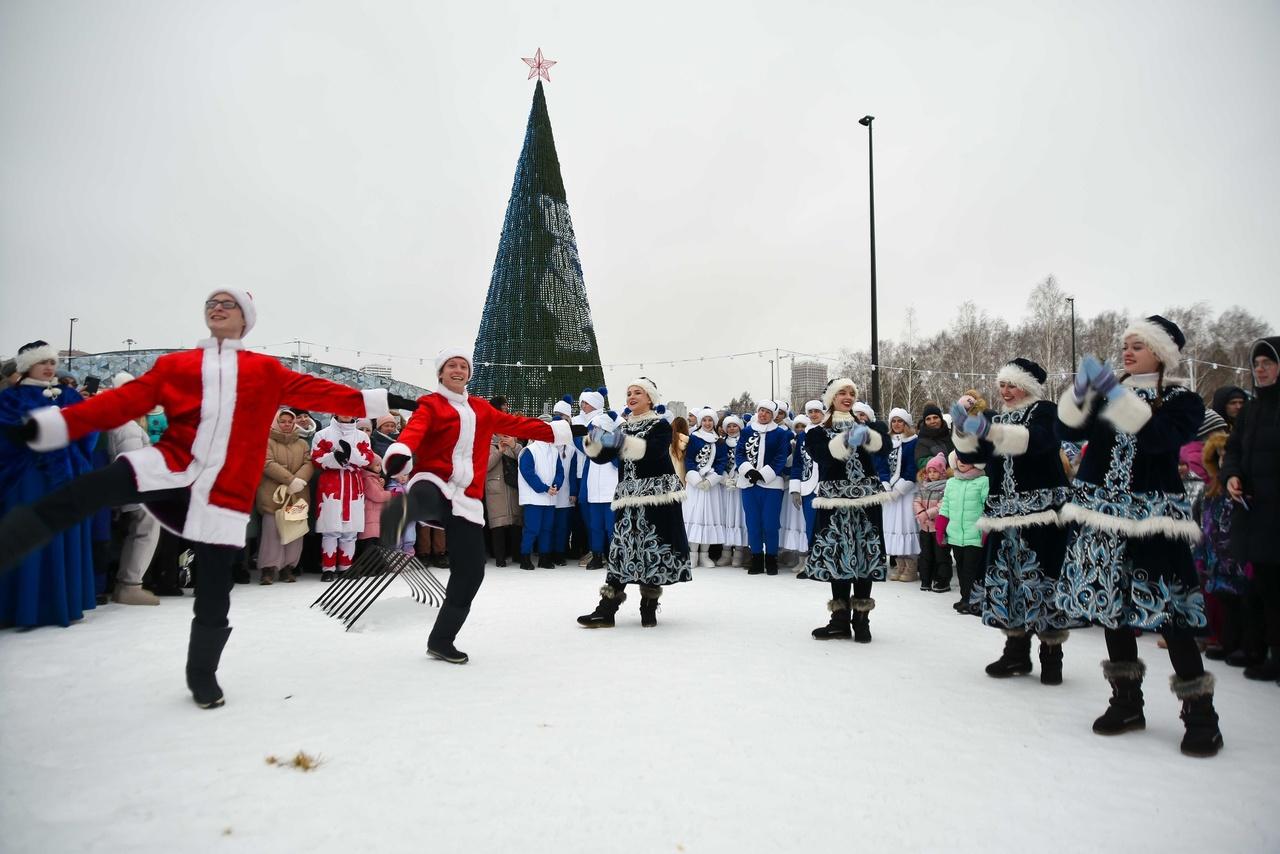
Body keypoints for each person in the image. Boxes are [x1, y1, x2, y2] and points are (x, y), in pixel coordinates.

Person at [0, 290, 403, 707]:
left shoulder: (265, 369)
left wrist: (385, 401)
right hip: (171, 462)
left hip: (226, 487)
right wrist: (53, 427)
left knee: (215, 586)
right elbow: (122, 402)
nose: (217, 308)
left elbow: (323, 393)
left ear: (245, 319)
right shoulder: (177, 365)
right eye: (212, 302)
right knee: (89, 489)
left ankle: (202, 673)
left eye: (228, 304)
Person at [1056, 315, 1222, 757]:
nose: (1127, 351)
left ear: (1162, 353)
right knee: (1112, 609)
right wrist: (1081, 394)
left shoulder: (1184, 400)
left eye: (1138, 345)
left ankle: (1200, 714)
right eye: (1125, 344)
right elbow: (1067, 430)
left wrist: (1113, 392)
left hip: (1153, 521)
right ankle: (1126, 701)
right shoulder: (1110, 394)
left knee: (1170, 611)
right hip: (1101, 517)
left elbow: (1157, 439)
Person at [380, 347, 580, 664]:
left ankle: (441, 640)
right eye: (451, 366)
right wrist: (402, 451)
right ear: (440, 374)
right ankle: (402, 510)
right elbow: (415, 431)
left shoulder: (482, 409)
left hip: (468, 500)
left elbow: (519, 425)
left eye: (463, 366)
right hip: (434, 479)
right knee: (428, 498)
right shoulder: (430, 404)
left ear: (469, 373)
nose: (458, 370)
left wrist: (562, 431)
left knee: (471, 572)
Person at [952, 358, 1074, 685]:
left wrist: (988, 429)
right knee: (1009, 582)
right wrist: (963, 428)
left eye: (1012, 384)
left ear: (1029, 387)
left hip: (1041, 515)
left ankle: (1052, 654)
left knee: (1042, 579)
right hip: (1004, 515)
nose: (1005, 391)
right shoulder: (996, 418)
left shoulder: (1045, 411)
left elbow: (1037, 442)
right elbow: (970, 457)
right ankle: (1016, 650)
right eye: (1002, 384)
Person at [577, 377, 690, 628]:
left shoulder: (660, 426)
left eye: (638, 392)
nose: (632, 396)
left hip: (655, 499)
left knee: (652, 551)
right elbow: (602, 457)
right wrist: (592, 440)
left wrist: (614, 441)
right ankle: (606, 609)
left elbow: (650, 452)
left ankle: (648, 607)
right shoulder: (623, 429)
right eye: (629, 392)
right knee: (621, 552)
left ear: (650, 398)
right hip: (628, 500)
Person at [0, 340, 98, 627]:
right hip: (29, 476)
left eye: (53, 362)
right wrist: (37, 434)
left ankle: (61, 603)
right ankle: (23, 606)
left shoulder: (67, 395)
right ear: (27, 365)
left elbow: (88, 429)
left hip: (64, 475)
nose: (49, 367)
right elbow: (7, 436)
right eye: (43, 362)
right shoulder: (11, 398)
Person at [803, 378, 892, 642]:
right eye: (841, 392)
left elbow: (884, 448)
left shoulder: (867, 427)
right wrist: (845, 438)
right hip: (835, 503)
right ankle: (840, 620)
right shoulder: (816, 432)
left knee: (865, 554)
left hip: (866, 503)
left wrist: (868, 434)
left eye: (851, 393)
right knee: (837, 556)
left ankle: (862, 619)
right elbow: (824, 457)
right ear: (831, 398)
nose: (847, 396)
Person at [1220, 336, 1280, 682]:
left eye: (1267, 363)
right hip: (1255, 512)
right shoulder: (1254, 410)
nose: (1260, 370)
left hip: (1274, 511)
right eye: (1256, 364)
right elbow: (1234, 450)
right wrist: (1232, 476)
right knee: (1263, 585)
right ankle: (1263, 647)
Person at [103, 371, 161, 605]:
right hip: (136, 491)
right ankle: (130, 583)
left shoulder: (122, 422)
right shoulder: (128, 426)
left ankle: (127, 581)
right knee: (146, 530)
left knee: (137, 533)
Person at [312, 415, 376, 581]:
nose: (346, 413)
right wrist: (335, 458)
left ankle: (346, 567)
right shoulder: (323, 434)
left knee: (350, 530)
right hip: (331, 485)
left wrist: (349, 453)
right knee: (330, 529)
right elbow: (317, 458)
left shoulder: (361, 436)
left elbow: (367, 458)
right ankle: (328, 568)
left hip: (353, 484)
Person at [255, 408, 314, 584]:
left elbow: (309, 463)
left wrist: (300, 480)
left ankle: (288, 567)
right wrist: (290, 480)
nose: (287, 425)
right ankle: (269, 568)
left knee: (295, 531)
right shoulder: (267, 441)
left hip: (297, 494)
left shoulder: (302, 443)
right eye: (283, 421)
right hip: (273, 495)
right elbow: (266, 463)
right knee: (271, 531)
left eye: (290, 421)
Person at [736, 400, 790, 575]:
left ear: (773, 415)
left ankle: (771, 559)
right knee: (752, 523)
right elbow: (740, 453)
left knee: (770, 523)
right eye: (761, 410)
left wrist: (764, 474)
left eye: (767, 412)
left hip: (772, 485)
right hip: (749, 483)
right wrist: (748, 470)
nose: (763, 414)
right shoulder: (746, 431)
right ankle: (757, 559)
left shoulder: (781, 434)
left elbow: (781, 456)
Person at [938, 451, 989, 615]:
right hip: (956, 535)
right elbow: (945, 506)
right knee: (960, 567)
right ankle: (965, 597)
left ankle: (974, 600)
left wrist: (986, 529)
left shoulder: (983, 481)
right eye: (959, 459)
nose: (962, 462)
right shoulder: (952, 482)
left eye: (967, 459)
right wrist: (941, 526)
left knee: (971, 569)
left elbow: (987, 507)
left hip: (975, 534)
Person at [783, 401, 825, 572]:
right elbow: (798, 464)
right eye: (811, 412)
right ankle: (814, 562)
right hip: (807, 486)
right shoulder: (802, 436)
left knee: (827, 525)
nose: (814, 414)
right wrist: (795, 489)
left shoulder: (829, 432)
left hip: (827, 487)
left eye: (817, 411)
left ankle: (827, 562)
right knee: (811, 526)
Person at [683, 406, 727, 569]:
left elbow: (721, 462)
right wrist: (696, 478)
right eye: (704, 420)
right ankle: (693, 554)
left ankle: (705, 554)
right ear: (700, 422)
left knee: (709, 516)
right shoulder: (694, 438)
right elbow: (688, 460)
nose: (707, 423)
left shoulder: (719, 441)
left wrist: (711, 480)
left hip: (711, 485)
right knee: (695, 515)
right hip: (695, 485)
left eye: (710, 420)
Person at [517, 423, 565, 570]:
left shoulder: (554, 450)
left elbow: (559, 472)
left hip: (549, 497)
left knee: (547, 529)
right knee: (532, 529)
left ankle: (544, 558)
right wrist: (544, 488)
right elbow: (528, 473)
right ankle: (525, 558)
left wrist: (556, 485)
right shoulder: (529, 450)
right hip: (534, 498)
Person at [883, 407, 921, 582]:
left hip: (906, 492)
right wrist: (885, 484)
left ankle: (911, 566)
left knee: (906, 525)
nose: (896, 424)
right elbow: (881, 464)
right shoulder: (887, 441)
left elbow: (912, 466)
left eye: (900, 421)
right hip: (889, 492)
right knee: (893, 527)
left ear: (906, 423)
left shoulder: (913, 441)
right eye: (894, 421)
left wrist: (900, 488)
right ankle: (900, 565)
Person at [913, 452, 951, 593]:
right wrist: (921, 513)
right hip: (925, 528)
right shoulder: (924, 487)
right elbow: (917, 501)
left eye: (935, 471)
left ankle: (942, 580)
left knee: (941, 555)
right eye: (930, 471)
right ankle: (926, 580)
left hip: (939, 528)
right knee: (925, 555)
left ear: (942, 472)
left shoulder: (945, 487)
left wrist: (928, 513)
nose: (932, 474)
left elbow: (943, 505)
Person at [485, 433, 522, 567]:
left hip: (513, 489)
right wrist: (499, 452)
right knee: (497, 525)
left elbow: (523, 459)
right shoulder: (486, 445)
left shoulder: (515, 445)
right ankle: (499, 558)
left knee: (516, 523)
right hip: (495, 490)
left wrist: (513, 446)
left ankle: (517, 555)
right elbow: (485, 466)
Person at [718, 414, 749, 567]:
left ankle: (739, 552)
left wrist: (739, 477)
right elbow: (718, 461)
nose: (731, 428)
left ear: (739, 427)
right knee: (725, 516)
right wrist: (724, 478)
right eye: (728, 426)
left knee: (738, 516)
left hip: (740, 484)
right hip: (726, 486)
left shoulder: (744, 442)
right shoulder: (721, 443)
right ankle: (725, 552)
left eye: (734, 426)